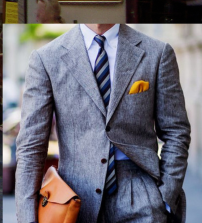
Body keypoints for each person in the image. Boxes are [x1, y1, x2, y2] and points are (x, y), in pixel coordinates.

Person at [15, 24, 190, 223]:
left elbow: (176, 130)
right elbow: (31, 145)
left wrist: (165, 195)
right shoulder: (46, 58)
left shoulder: (157, 52)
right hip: (72, 201)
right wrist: (27, 219)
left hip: (141, 194)